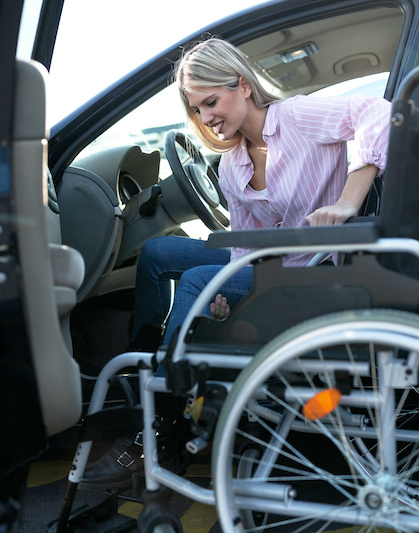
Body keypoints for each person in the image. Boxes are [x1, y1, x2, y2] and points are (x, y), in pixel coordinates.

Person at [80, 37, 391, 491]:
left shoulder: (298, 118)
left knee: (196, 280)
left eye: (211, 101)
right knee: (156, 254)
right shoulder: (231, 166)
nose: (206, 118)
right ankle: (151, 363)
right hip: (264, 263)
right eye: (197, 109)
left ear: (243, 86)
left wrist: (347, 200)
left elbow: (375, 113)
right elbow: (245, 243)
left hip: (309, 270)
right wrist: (227, 290)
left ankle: (164, 426)